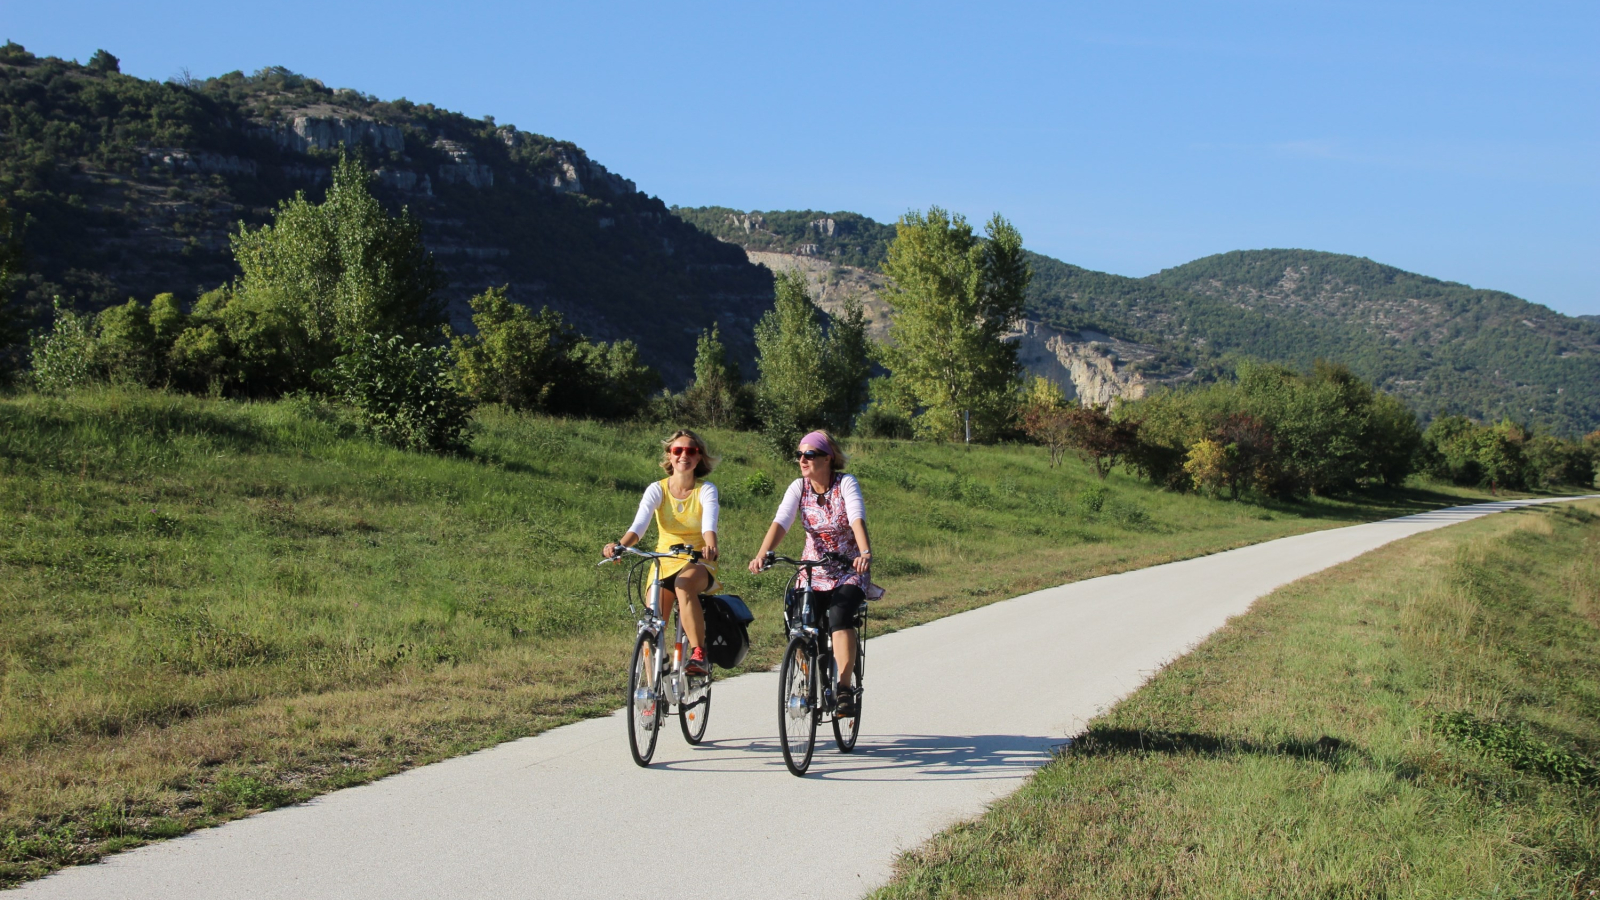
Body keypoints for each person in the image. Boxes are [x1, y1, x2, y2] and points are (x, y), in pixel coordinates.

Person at [747, 430, 872, 717]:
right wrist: (762, 554)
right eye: (800, 455)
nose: (803, 459)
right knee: (799, 622)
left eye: (810, 454)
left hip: (848, 568)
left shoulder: (845, 484)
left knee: (840, 618)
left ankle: (843, 689)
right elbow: (782, 520)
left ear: (828, 458)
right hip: (812, 570)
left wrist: (864, 553)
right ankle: (806, 676)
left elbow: (856, 517)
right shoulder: (798, 488)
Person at [604, 430, 721, 676]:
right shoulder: (657, 489)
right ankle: (651, 695)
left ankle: (699, 654)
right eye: (678, 451)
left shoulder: (706, 490)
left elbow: (709, 524)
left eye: (691, 451)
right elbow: (639, 525)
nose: (684, 456)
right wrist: (621, 545)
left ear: (699, 457)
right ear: (669, 455)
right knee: (651, 626)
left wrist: (710, 546)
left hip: (697, 560)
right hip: (663, 562)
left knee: (683, 584)